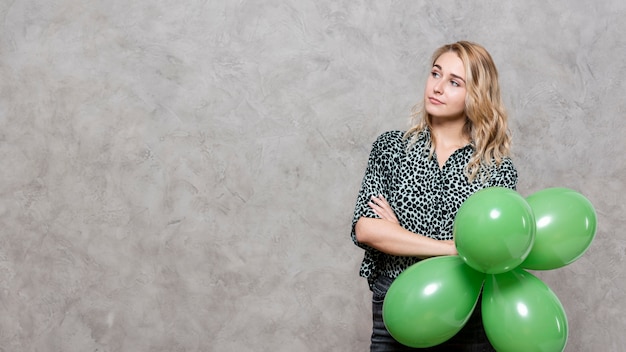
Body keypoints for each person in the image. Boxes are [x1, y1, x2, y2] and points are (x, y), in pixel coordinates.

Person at [350, 41, 518, 351]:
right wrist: (455, 248)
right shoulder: (391, 148)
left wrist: (400, 234)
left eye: (454, 82)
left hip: (468, 313)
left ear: (476, 95)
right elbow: (367, 229)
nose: (437, 87)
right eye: (435, 74)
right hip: (399, 303)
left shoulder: (495, 168)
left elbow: (496, 252)